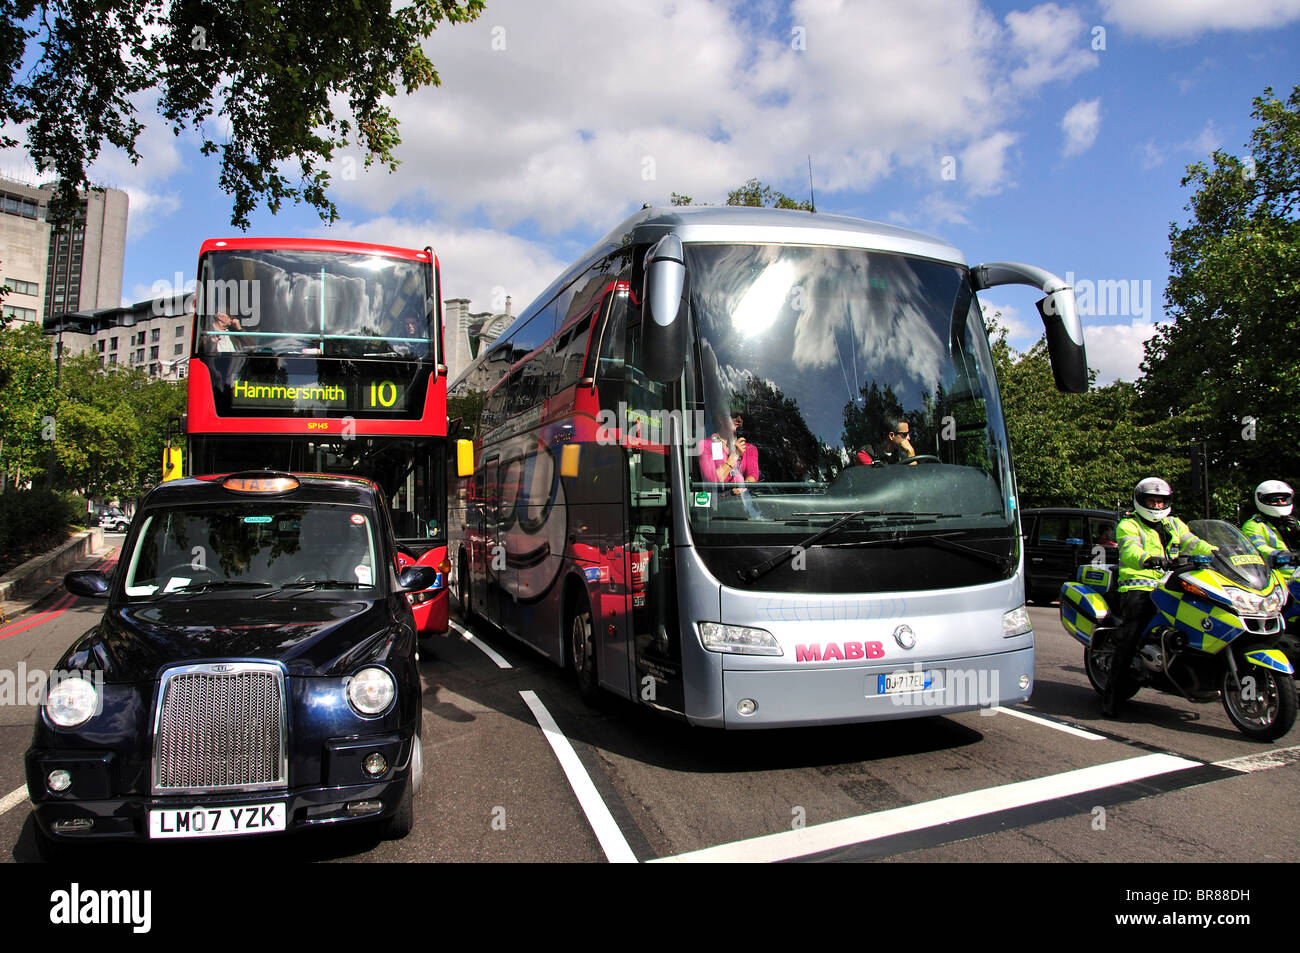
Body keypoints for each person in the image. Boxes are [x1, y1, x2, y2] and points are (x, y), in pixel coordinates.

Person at [1106, 477, 1214, 717]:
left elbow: (1193, 542)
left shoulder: (1174, 524)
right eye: (1152, 501)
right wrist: (1147, 559)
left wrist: (1216, 552)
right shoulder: (1129, 523)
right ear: (1140, 501)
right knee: (1130, 637)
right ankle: (1112, 699)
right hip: (1139, 585)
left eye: (1160, 502)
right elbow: (1130, 549)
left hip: (1171, 583)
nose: (1156, 506)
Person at [1241, 480, 1299, 563]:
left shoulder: (1293, 523)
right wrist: (1290, 557)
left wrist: (1298, 532)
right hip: (1276, 574)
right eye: (1274, 499)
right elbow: (1258, 549)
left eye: (1283, 499)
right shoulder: (1253, 525)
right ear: (1263, 500)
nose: (1280, 502)